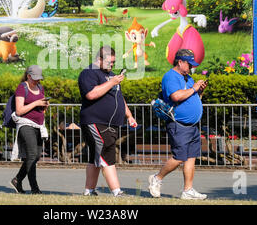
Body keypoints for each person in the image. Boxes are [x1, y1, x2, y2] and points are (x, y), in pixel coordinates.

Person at [148, 49, 208, 199]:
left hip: (192, 126)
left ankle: (188, 190)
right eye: (189, 64)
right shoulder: (170, 77)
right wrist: (194, 89)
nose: (191, 67)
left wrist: (199, 91)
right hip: (178, 124)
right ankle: (157, 178)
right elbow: (175, 96)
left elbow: (192, 97)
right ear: (180, 62)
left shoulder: (188, 77)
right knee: (179, 157)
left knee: (191, 157)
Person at [78, 46, 137, 197]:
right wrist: (112, 82)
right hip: (95, 121)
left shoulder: (111, 75)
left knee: (96, 158)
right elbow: (91, 94)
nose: (112, 65)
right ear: (100, 59)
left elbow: (119, 98)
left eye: (114, 62)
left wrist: (129, 116)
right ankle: (117, 191)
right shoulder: (88, 73)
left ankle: (89, 191)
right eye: (110, 62)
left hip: (111, 124)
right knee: (106, 155)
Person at [9, 65, 49, 195]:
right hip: (25, 124)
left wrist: (44, 106)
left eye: (39, 79)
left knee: (36, 156)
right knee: (32, 154)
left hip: (39, 125)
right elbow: (19, 110)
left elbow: (40, 107)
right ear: (28, 76)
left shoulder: (40, 88)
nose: (37, 81)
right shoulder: (22, 88)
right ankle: (35, 189)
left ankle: (17, 180)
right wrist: (36, 103)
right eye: (35, 78)